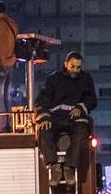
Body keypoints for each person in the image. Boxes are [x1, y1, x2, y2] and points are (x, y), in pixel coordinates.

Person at [35, 51, 97, 185]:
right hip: (55, 118)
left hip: (76, 120)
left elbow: (92, 99)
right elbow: (42, 99)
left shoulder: (86, 79)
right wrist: (45, 117)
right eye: (72, 66)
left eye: (78, 67)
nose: (75, 70)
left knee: (81, 135)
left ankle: (69, 167)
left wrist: (80, 108)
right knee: (43, 131)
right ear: (65, 64)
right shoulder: (53, 79)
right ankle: (54, 166)